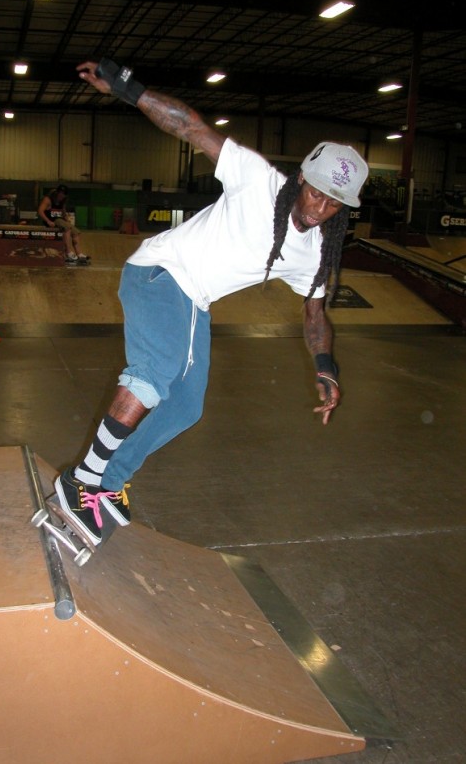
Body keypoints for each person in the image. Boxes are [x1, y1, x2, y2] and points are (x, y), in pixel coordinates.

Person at [52, 57, 369, 549]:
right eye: (316, 195)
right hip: (159, 271)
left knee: (184, 406)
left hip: (194, 300)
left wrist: (326, 365)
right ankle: (81, 479)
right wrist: (128, 89)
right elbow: (192, 127)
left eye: (334, 205)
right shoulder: (258, 181)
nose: (320, 210)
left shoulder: (315, 254)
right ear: (302, 179)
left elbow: (314, 313)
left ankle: (108, 483)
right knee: (157, 373)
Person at [37, 184, 89, 263]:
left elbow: (63, 211)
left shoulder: (63, 201)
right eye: (60, 194)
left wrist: (66, 218)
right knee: (67, 228)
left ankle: (79, 254)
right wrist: (48, 221)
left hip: (60, 220)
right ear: (57, 193)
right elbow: (40, 211)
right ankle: (68, 252)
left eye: (63, 195)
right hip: (52, 220)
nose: (61, 196)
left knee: (76, 232)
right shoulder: (48, 199)